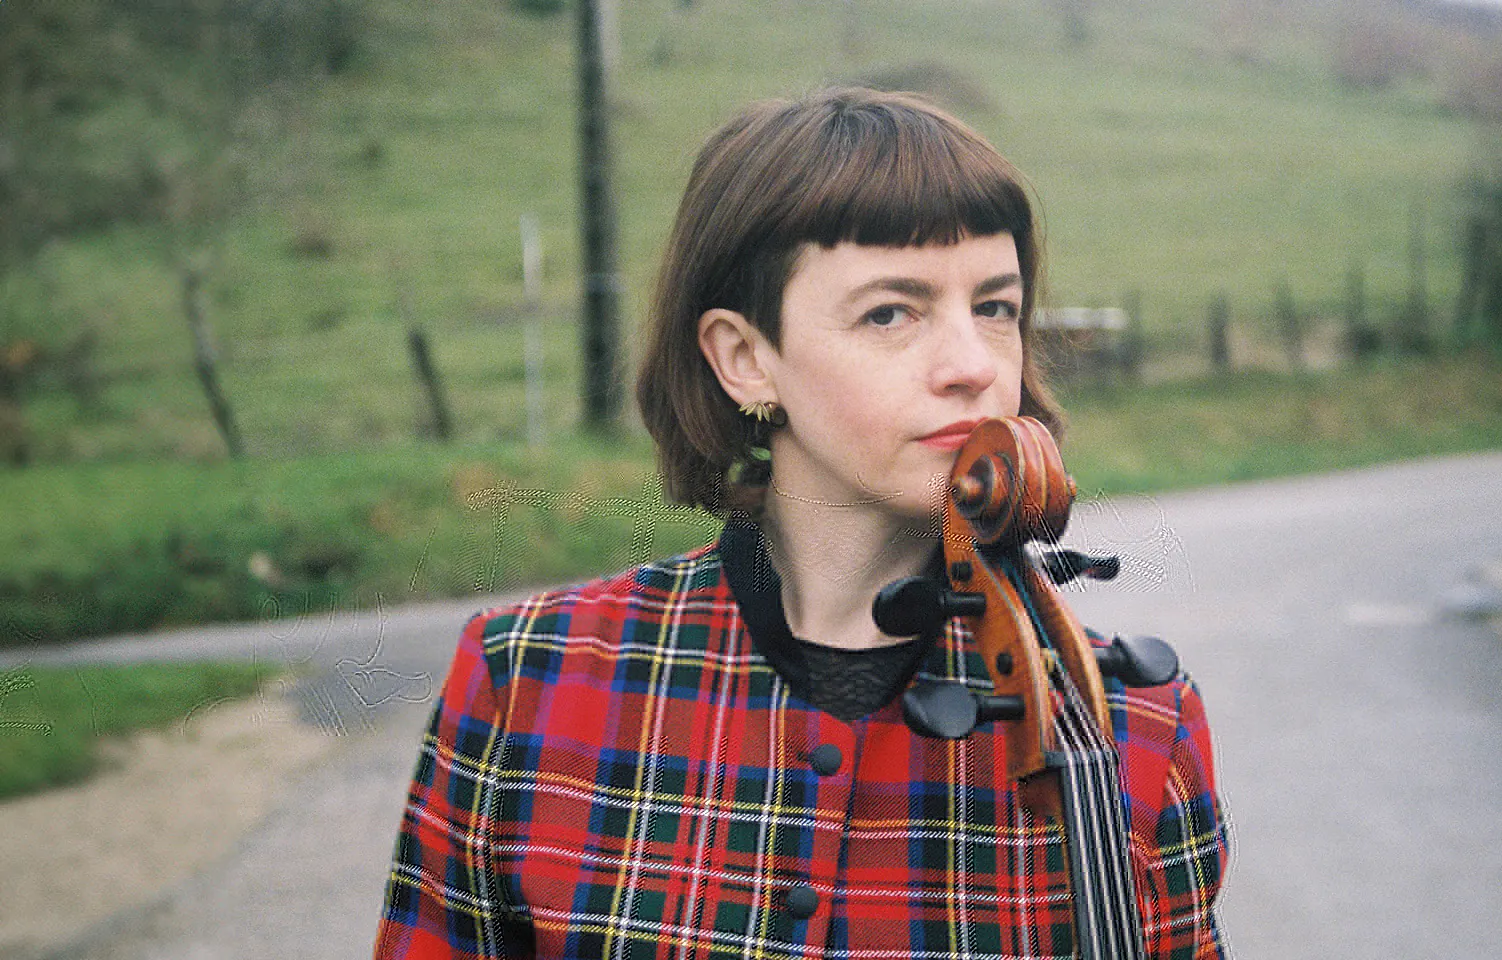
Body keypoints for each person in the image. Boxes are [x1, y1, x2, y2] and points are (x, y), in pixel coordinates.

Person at [374, 87, 1227, 960]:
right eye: (890, 312)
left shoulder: (1141, 731)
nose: (973, 366)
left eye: (995, 308)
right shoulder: (530, 680)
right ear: (746, 360)